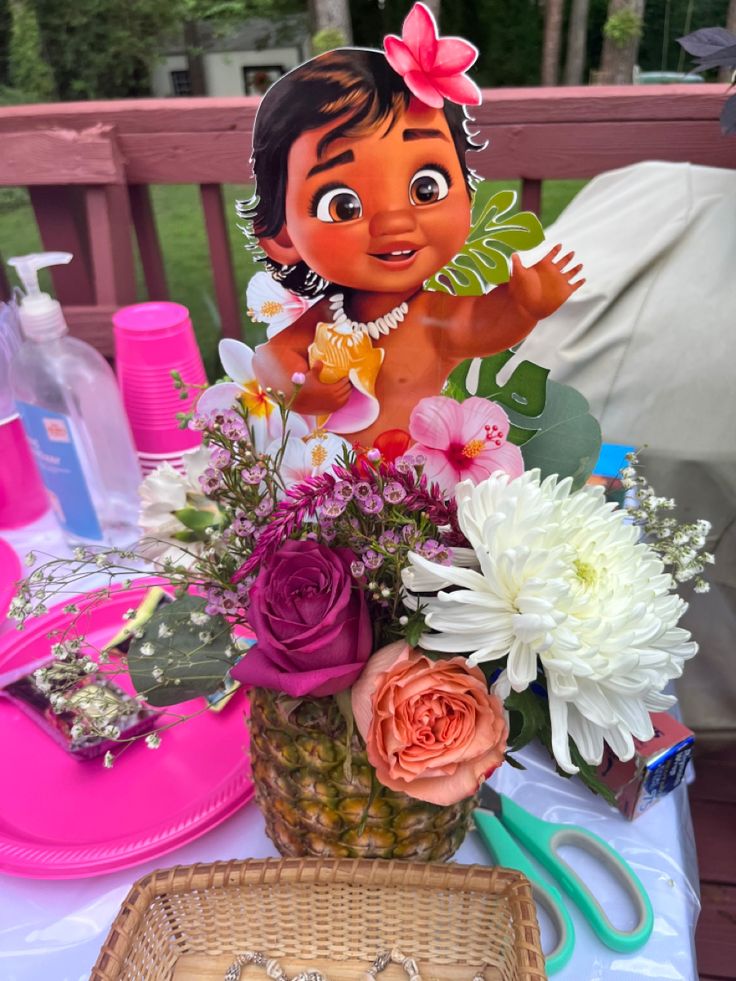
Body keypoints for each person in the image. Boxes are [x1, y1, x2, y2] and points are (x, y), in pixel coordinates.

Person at [243, 5, 583, 448]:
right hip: (326, 491)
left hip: (416, 494)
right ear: (283, 236)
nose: (396, 221)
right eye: (343, 205)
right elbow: (270, 358)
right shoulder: (327, 318)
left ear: (467, 193)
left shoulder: (433, 316)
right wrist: (297, 388)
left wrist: (522, 306)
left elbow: (482, 324)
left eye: (426, 188)